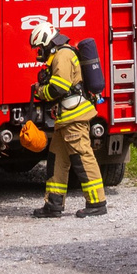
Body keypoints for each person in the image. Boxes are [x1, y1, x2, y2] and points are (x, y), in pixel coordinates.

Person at [27, 21, 105, 219]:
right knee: (56, 161)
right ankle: (53, 204)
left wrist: (40, 91)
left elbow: (58, 87)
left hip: (74, 117)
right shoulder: (59, 54)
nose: (39, 52)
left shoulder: (62, 55)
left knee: (82, 157)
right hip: (65, 119)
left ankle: (97, 202)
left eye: (40, 47)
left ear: (46, 41)